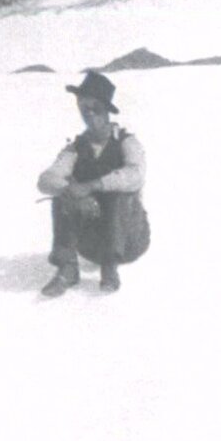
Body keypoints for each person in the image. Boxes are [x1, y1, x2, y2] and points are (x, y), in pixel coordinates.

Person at [38, 71, 148, 296]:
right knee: (64, 193)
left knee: (119, 191)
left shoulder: (127, 142)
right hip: (91, 244)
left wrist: (93, 185)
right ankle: (67, 268)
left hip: (129, 241)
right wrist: (71, 190)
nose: (89, 114)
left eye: (95, 108)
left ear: (107, 110)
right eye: (84, 108)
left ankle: (110, 269)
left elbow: (135, 174)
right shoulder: (75, 148)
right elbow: (46, 179)